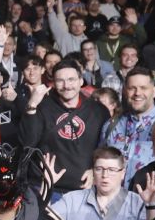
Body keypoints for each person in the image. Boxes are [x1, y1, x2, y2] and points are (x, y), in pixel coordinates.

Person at [21, 60, 110, 193]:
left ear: (81, 81)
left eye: (71, 79)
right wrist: (32, 106)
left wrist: (95, 169)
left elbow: (106, 147)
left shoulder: (98, 110)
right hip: (47, 188)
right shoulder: (41, 107)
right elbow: (27, 142)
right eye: (60, 81)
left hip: (85, 189)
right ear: (54, 83)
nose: (66, 86)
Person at [101, 66, 155, 187]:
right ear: (124, 91)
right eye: (132, 88)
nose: (137, 93)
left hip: (150, 201)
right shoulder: (112, 125)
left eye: (143, 88)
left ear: (154, 91)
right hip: (112, 201)